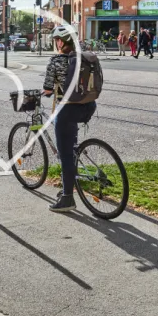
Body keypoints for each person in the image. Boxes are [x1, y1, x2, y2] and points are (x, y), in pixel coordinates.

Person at [41, 26, 99, 213]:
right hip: (88, 107)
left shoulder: (56, 61)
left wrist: (46, 92)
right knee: (71, 147)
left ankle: (67, 198)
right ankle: (71, 176)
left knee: (65, 155)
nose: (55, 43)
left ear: (61, 42)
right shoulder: (84, 58)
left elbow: (48, 89)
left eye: (56, 40)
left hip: (67, 110)